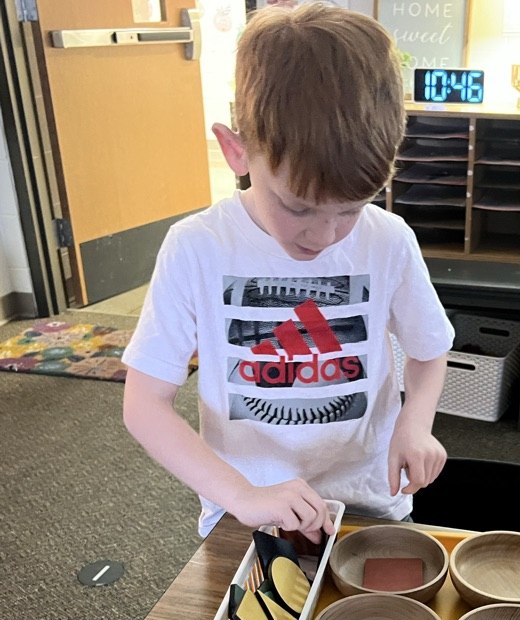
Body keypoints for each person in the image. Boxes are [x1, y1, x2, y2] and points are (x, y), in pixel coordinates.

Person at [121, 2, 454, 543]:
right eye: (298, 207)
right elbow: (144, 404)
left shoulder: (388, 239)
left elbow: (429, 348)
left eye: (352, 207)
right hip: (248, 511)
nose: (324, 236)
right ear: (236, 151)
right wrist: (241, 494)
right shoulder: (197, 247)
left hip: (368, 501)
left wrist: (415, 422)